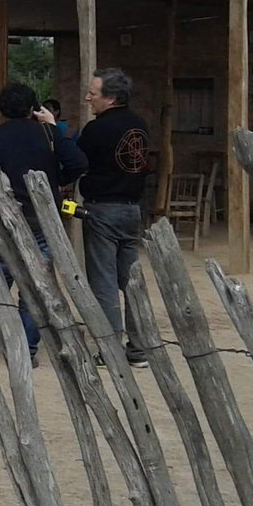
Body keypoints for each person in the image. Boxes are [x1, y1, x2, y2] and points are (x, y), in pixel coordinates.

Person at [0, 84, 88, 364]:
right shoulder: (48, 133)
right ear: (32, 108)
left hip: (3, 219)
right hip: (41, 221)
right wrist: (55, 181)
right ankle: (28, 349)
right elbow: (78, 163)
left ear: (1, 108)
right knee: (35, 287)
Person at [78, 68, 150, 365]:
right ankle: (140, 346)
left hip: (103, 209)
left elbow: (77, 159)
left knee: (104, 281)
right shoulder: (139, 125)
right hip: (132, 209)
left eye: (93, 94)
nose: (87, 98)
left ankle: (110, 349)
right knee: (131, 279)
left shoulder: (97, 129)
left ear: (110, 98)